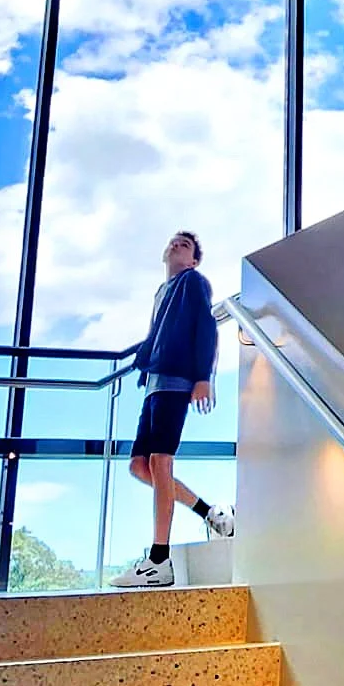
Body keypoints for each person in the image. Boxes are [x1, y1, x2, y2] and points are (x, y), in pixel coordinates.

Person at [111, 230, 233, 590]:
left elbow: (206, 327)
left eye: (187, 244)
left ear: (193, 259)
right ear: (165, 253)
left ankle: (159, 560)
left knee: (161, 462)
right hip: (153, 384)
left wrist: (203, 377)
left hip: (177, 381)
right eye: (174, 242)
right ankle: (208, 511)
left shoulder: (193, 281)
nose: (178, 244)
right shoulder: (161, 292)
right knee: (140, 466)